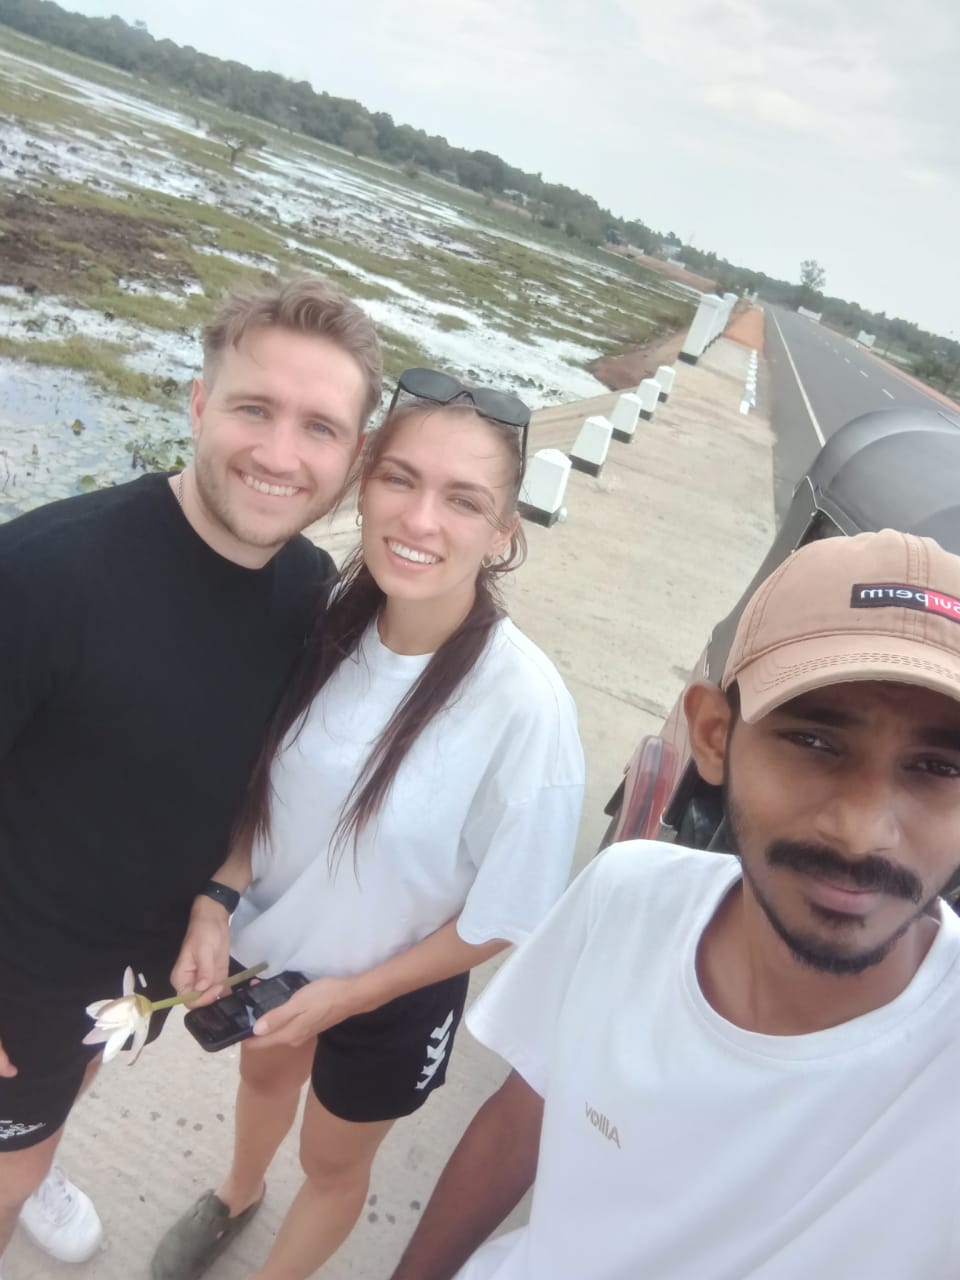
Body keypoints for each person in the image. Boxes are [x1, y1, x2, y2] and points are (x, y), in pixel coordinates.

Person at [390, 528, 960, 1280]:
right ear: (715, 737)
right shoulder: (626, 899)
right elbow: (519, 1121)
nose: (862, 832)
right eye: (816, 742)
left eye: (939, 766)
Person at [151, 369, 585, 1280]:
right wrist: (219, 894)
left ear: (505, 531)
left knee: (334, 1162)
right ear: (363, 478)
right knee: (264, 1078)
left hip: (393, 993)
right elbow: (259, 792)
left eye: (463, 500)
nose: (419, 521)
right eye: (400, 479)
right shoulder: (316, 622)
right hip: (271, 958)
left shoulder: (524, 708)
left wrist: (352, 995)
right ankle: (236, 1193)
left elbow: (505, 914)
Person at [0, 276, 382, 1271]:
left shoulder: (307, 594)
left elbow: (240, 773)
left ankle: (42, 1151)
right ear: (200, 402)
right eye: (255, 408)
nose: (280, 453)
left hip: (125, 975)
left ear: (353, 455)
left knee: (54, 1107)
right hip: (16, 970)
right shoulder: (45, 574)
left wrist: (216, 897)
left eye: (320, 428)